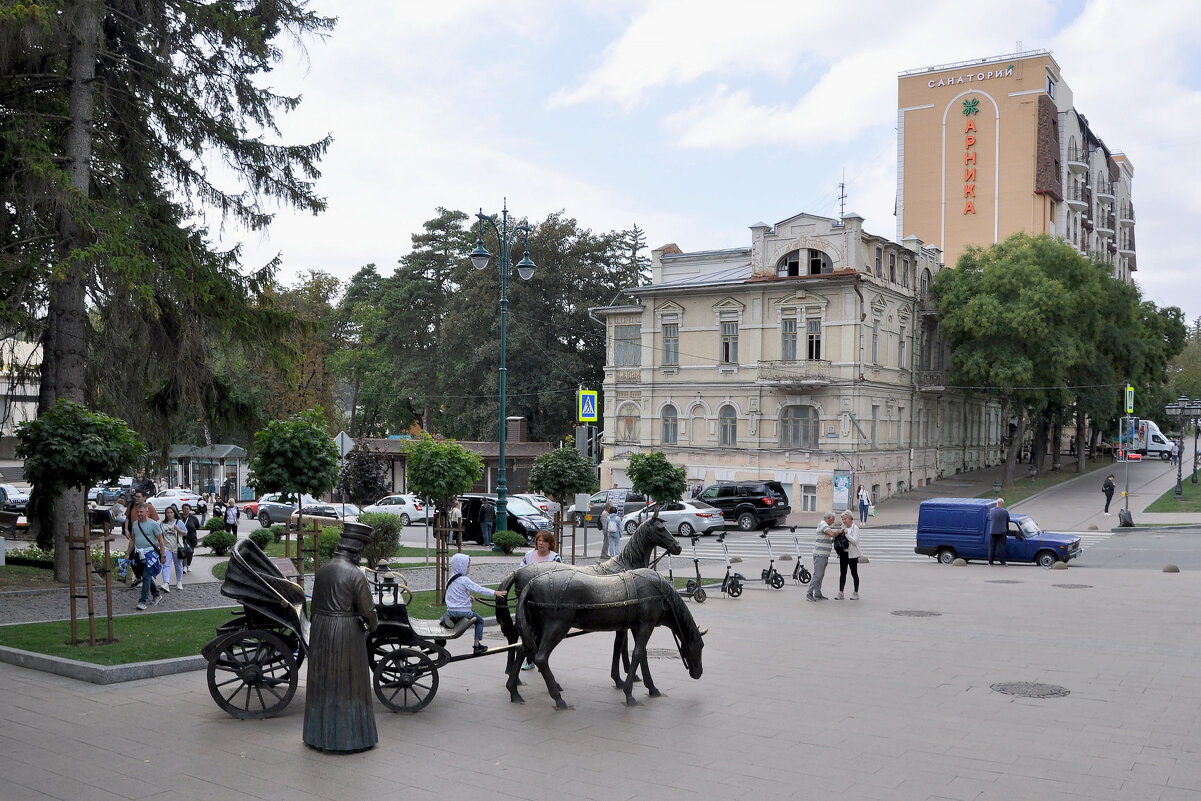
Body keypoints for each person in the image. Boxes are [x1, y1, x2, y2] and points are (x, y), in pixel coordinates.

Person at [303, 523, 379, 753]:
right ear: (356, 549)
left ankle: (318, 735)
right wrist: (372, 625)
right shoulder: (355, 574)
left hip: (323, 628)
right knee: (350, 684)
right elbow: (368, 610)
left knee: (323, 683)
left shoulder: (323, 570)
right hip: (347, 632)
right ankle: (351, 738)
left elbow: (314, 606)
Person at [444, 552, 506, 654]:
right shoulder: (465, 580)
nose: (469, 569)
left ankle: (446, 619)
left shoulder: (450, 579)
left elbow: (455, 594)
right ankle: (477, 646)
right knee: (480, 621)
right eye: (467, 566)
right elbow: (479, 589)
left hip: (451, 610)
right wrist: (494, 592)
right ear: (461, 566)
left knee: (450, 614)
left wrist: (468, 597)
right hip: (464, 611)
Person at [127, 503, 164, 610]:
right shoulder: (135, 525)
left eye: (141, 512)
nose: (139, 514)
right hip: (139, 554)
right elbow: (133, 540)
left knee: (147, 576)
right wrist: (128, 553)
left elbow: (160, 541)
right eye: (137, 512)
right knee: (145, 576)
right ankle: (156, 594)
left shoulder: (153, 524)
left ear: (147, 512)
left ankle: (143, 601)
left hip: (150, 554)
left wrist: (163, 556)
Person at [806, 512, 840, 601]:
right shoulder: (823, 525)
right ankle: (809, 593)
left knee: (820, 575)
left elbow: (828, 539)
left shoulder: (825, 525)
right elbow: (831, 534)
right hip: (819, 554)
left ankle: (817, 592)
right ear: (829, 518)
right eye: (832, 520)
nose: (833, 522)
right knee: (817, 575)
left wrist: (833, 540)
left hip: (824, 554)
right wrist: (839, 532)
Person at [835, 510, 861, 600]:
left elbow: (855, 541)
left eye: (845, 519)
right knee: (842, 573)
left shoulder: (855, 528)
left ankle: (856, 593)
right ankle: (841, 592)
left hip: (852, 554)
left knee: (854, 573)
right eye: (842, 519)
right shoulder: (843, 527)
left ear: (850, 519)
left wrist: (847, 535)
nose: (844, 521)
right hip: (843, 554)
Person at [158, 505, 182, 592]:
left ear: (174, 513)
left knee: (178, 565)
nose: (169, 514)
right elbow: (160, 536)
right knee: (166, 565)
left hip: (177, 547)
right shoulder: (162, 524)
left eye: (171, 512)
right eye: (167, 513)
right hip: (166, 547)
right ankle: (166, 583)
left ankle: (179, 582)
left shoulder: (178, 522)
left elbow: (185, 533)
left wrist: (178, 529)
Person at [988, 497, 1009, 566]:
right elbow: (1008, 520)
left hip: (993, 531)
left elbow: (991, 519)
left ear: (997, 503)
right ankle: (1002, 562)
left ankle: (990, 562)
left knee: (992, 547)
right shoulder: (1005, 512)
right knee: (1002, 548)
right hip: (1002, 531)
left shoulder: (991, 511)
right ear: (1002, 504)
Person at [179, 503, 199, 574]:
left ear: (189, 510)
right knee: (183, 552)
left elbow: (197, 526)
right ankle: (184, 566)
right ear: (182, 509)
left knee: (190, 552)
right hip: (182, 538)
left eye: (187, 509)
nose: (186, 510)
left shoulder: (193, 518)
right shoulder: (179, 518)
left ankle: (188, 565)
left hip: (191, 537)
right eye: (184, 509)